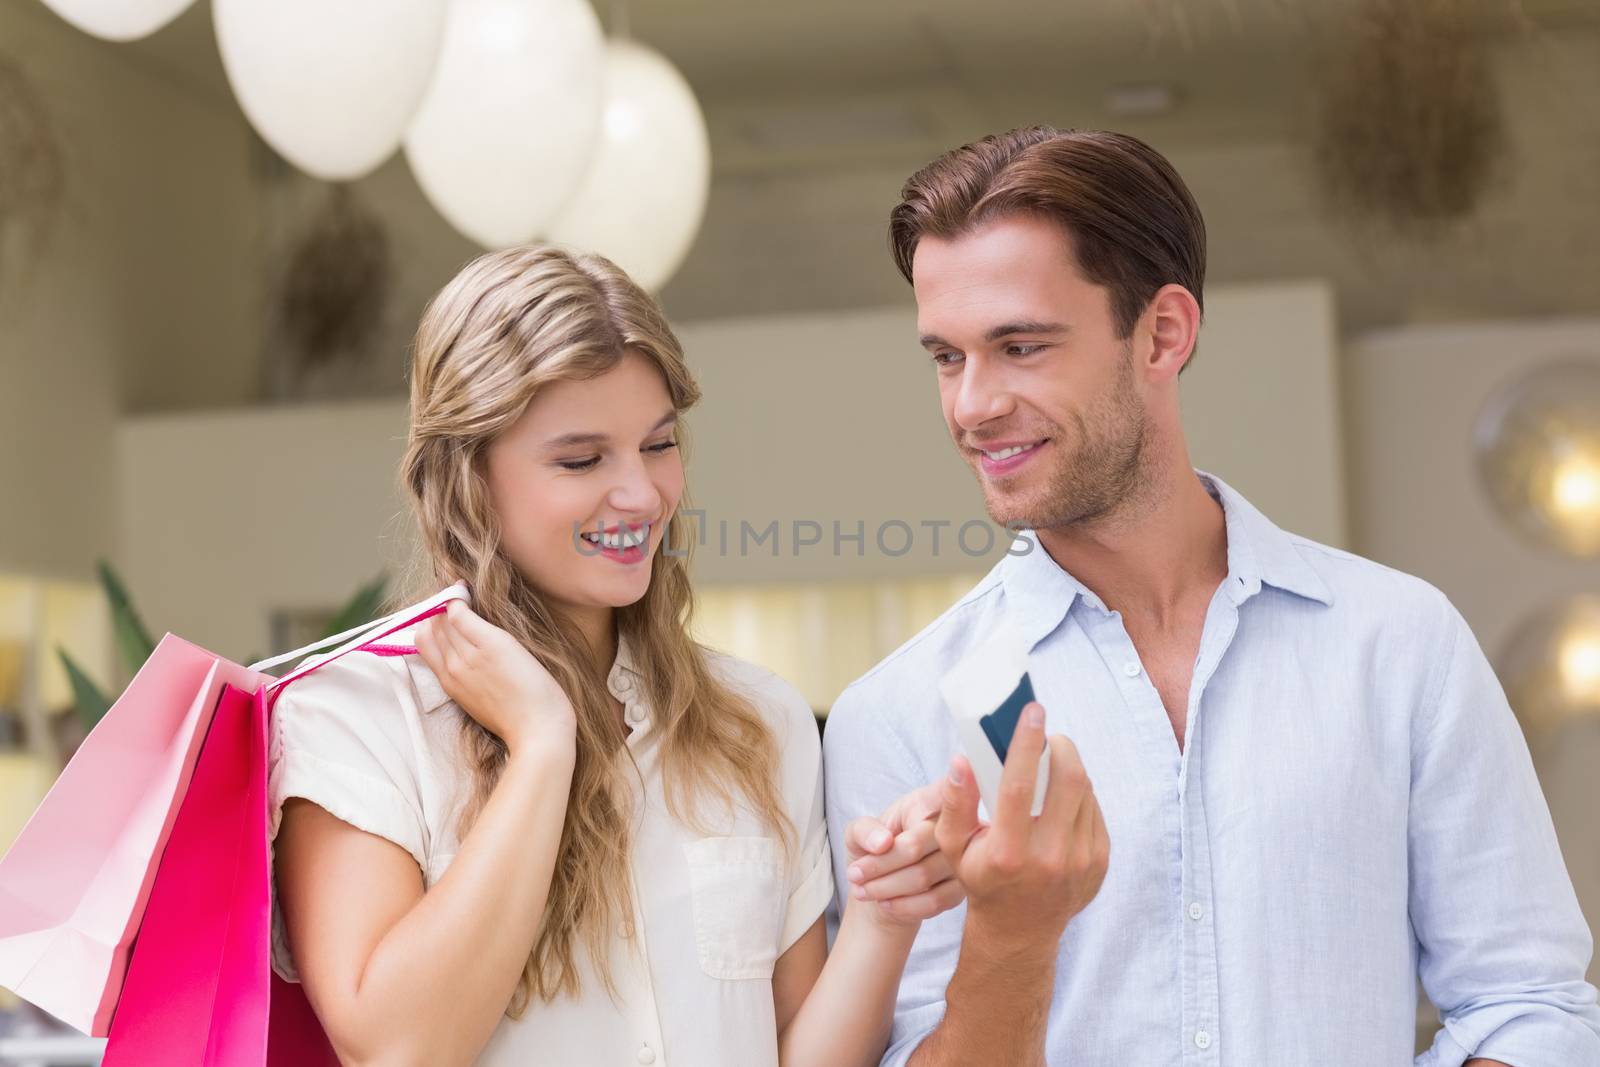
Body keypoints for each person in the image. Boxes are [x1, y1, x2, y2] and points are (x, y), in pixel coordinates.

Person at [824, 126, 1600, 1066]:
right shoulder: (895, 716)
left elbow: (1529, 1003)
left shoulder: (1399, 644)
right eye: (946, 357)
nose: (971, 405)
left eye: (1019, 346)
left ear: (1163, 332)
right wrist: (1012, 935)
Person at [269, 246, 962, 1067]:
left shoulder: (759, 721)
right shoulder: (356, 722)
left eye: (658, 445)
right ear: (467, 476)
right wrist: (542, 745)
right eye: (581, 458)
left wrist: (884, 920)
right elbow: (398, 1047)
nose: (641, 495)